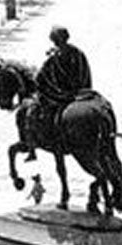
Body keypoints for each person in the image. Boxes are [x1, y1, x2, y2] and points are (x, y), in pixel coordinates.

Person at [26, 26, 92, 161]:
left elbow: (40, 78)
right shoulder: (77, 52)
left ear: (54, 40)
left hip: (60, 95)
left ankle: (35, 145)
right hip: (81, 93)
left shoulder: (54, 56)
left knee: (33, 111)